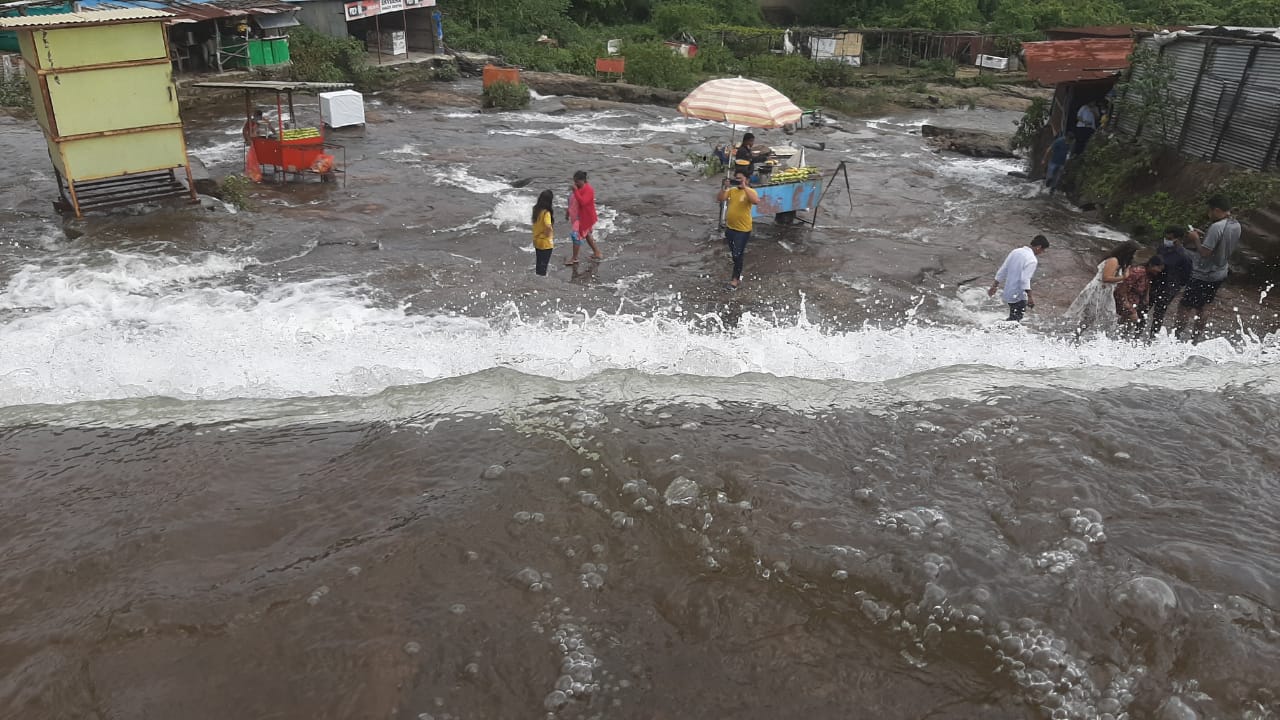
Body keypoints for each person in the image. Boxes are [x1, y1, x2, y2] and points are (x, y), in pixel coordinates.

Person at [1174, 196, 1242, 343]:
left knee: (1185, 306)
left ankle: (1176, 337)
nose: (1208, 214)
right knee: (1205, 305)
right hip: (1220, 272)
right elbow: (1220, 243)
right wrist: (1205, 236)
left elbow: (1205, 253)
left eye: (1210, 211)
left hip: (1203, 274)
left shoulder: (1216, 227)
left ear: (1217, 210)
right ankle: (1195, 339)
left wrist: (1195, 238)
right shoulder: (1235, 224)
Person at [1063, 241, 1137, 333]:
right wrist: (1123, 277)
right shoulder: (1113, 260)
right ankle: (1076, 335)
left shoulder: (1120, 263)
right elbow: (1106, 278)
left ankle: (1104, 338)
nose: (1134, 256)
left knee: (1107, 316)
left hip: (1105, 292)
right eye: (1133, 253)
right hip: (1097, 290)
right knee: (1090, 316)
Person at [988, 235, 1050, 321]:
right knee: (1015, 320)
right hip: (1019, 295)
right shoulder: (1032, 260)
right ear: (1039, 247)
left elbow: (1003, 269)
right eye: (1043, 250)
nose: (1042, 252)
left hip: (1008, 292)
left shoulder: (1016, 251)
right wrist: (1030, 297)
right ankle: (997, 330)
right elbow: (1025, 279)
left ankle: (999, 329)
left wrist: (994, 286)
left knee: (1013, 317)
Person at [1148, 226, 1196, 337]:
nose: (1166, 240)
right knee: (1143, 308)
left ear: (1178, 239)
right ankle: (1136, 335)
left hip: (1169, 288)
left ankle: (1152, 339)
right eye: (1165, 237)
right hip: (1155, 283)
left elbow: (1187, 276)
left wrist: (1176, 287)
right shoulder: (1161, 248)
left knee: (1158, 314)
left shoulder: (1184, 256)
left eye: (1169, 238)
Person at [716, 171, 760, 290]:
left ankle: (735, 280)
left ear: (747, 180)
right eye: (736, 179)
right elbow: (719, 198)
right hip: (730, 228)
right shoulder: (732, 191)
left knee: (737, 254)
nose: (738, 181)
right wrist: (725, 187)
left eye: (740, 179)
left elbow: (756, 201)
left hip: (743, 230)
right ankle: (737, 272)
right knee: (734, 254)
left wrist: (744, 187)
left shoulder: (750, 191)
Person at [1115, 255, 1163, 336]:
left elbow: (1148, 283)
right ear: (1151, 265)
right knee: (1132, 319)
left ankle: (1118, 339)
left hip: (1134, 300)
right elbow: (1123, 287)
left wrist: (1146, 296)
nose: (1159, 271)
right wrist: (1126, 302)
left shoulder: (1149, 273)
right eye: (1158, 268)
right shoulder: (1137, 272)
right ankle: (1117, 339)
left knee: (1126, 322)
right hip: (1126, 299)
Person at [565, 170, 602, 265]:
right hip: (577, 216)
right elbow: (572, 201)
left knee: (576, 235)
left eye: (577, 181)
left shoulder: (588, 190)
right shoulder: (577, 188)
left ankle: (574, 258)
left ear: (583, 180)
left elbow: (583, 202)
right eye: (574, 181)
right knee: (586, 234)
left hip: (584, 217)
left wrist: (576, 191)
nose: (575, 183)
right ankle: (597, 252)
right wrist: (568, 211)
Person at [531, 190, 555, 276]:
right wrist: (548, 235)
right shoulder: (546, 213)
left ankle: (537, 279)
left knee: (539, 264)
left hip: (537, 241)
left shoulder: (536, 210)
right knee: (544, 266)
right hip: (545, 242)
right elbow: (548, 225)